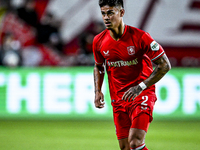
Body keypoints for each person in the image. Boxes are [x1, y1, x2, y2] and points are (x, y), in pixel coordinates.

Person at [93, 0, 171, 150]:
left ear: (121, 13)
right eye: (103, 13)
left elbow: (165, 65)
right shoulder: (99, 41)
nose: (106, 18)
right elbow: (98, 66)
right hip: (119, 98)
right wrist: (97, 91)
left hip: (141, 94)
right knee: (126, 147)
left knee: (135, 142)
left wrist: (140, 87)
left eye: (110, 13)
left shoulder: (140, 37)